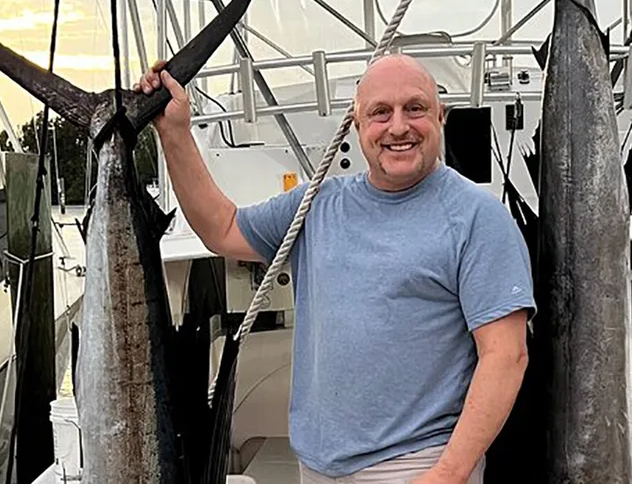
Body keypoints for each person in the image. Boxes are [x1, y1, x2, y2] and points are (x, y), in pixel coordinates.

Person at [135, 53, 535, 484]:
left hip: (416, 467)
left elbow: (505, 355)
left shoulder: (478, 217)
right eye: (380, 112)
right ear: (358, 125)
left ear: (441, 115)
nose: (398, 126)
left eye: (415, 108)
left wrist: (449, 474)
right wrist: (174, 132)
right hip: (317, 466)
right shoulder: (318, 203)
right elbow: (223, 228)